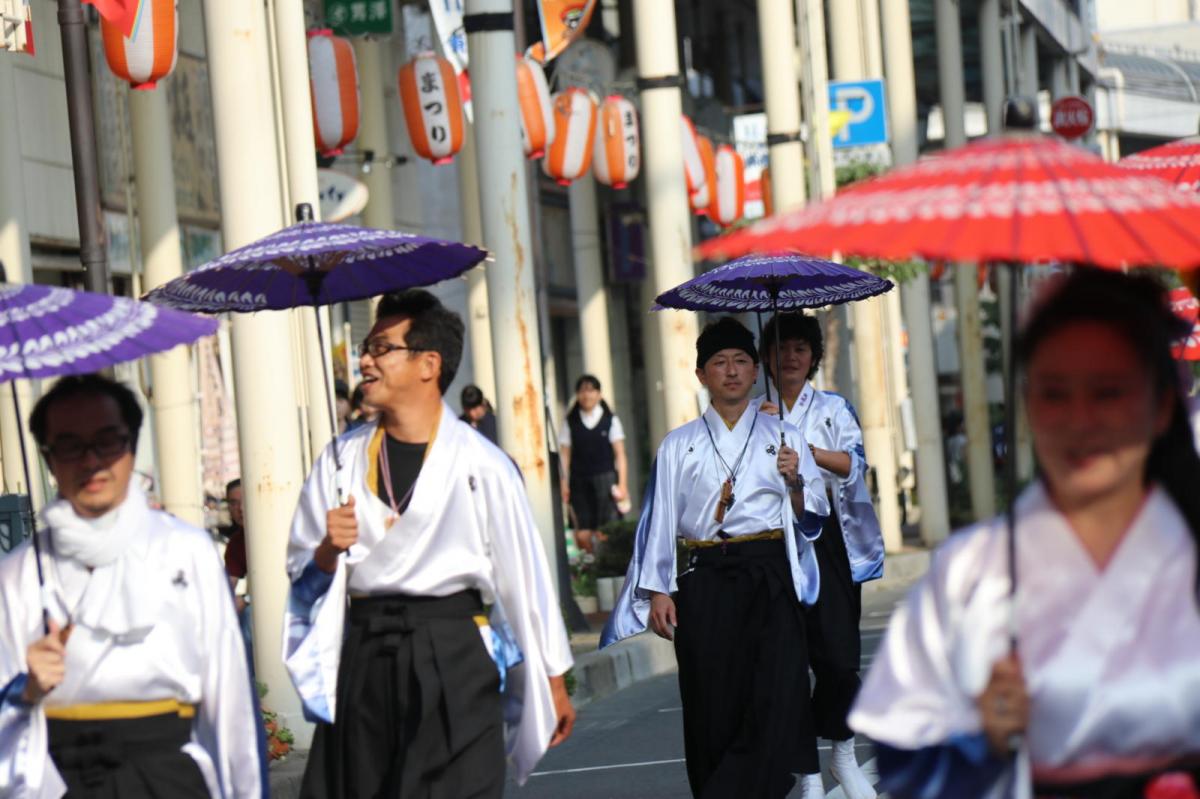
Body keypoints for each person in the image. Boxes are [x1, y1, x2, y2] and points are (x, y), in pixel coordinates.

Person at [850, 269, 1200, 798]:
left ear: (1161, 407)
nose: (1080, 421)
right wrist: (978, 738)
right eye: (1054, 394)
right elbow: (902, 760)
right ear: (1029, 405)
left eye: (1108, 393)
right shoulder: (974, 569)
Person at [284, 289, 575, 797]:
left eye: (381, 347)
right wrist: (329, 549)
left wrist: (552, 677)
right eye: (367, 348)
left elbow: (524, 575)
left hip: (453, 647)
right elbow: (300, 571)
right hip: (367, 652)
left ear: (428, 364)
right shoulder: (340, 459)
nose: (365, 359)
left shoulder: (483, 463)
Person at [0, 374, 264, 797]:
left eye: (107, 441)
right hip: (59, 777)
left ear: (131, 444)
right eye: (69, 445)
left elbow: (229, 698)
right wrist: (25, 689)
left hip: (169, 773)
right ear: (49, 459)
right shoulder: (17, 573)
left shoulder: (187, 551)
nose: (91, 461)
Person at [602, 317, 831, 799]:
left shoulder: (784, 436)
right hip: (705, 580)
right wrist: (659, 589)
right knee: (712, 702)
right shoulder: (678, 444)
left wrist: (795, 482)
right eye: (719, 363)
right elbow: (660, 519)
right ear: (701, 374)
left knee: (778, 695)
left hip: (769, 575)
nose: (731, 371)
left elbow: (814, 519)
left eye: (741, 361)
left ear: (754, 372)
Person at [758, 312, 883, 799]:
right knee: (787, 662)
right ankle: (806, 773)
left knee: (839, 658)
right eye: (781, 347)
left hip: (827, 539)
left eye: (800, 348)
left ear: (813, 357)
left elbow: (854, 463)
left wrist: (802, 450)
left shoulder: (832, 408)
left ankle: (843, 753)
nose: (790, 356)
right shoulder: (754, 414)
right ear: (767, 356)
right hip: (773, 541)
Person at [559, 375, 629, 556]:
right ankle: (591, 563)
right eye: (582, 391)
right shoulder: (570, 422)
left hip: (605, 479)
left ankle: (605, 565)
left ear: (599, 394)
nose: (586, 395)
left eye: (591, 390)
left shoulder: (610, 419)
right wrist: (564, 483)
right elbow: (565, 455)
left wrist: (622, 484)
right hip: (579, 481)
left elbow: (620, 454)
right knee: (582, 533)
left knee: (606, 530)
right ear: (577, 395)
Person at [220, 478, 253, 655]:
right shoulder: (236, 544)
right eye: (233, 503)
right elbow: (226, 587)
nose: (239, 508)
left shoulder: (275, 532)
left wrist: (246, 600)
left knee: (248, 618)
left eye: (244, 501)